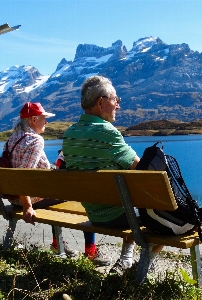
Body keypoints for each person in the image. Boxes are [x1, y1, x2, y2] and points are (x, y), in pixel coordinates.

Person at [0, 102, 110, 266]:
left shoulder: (12, 139)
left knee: (55, 189)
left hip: (13, 198)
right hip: (28, 199)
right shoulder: (36, 140)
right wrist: (27, 206)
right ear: (34, 119)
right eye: (44, 118)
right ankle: (90, 251)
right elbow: (24, 175)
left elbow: (5, 170)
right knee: (83, 193)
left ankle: (58, 243)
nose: (46, 122)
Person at [62, 76, 164, 272]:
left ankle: (126, 259)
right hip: (117, 215)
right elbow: (142, 171)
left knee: (128, 198)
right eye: (115, 100)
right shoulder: (107, 132)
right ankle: (144, 266)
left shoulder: (70, 133)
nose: (118, 105)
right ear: (101, 102)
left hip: (94, 212)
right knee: (172, 213)